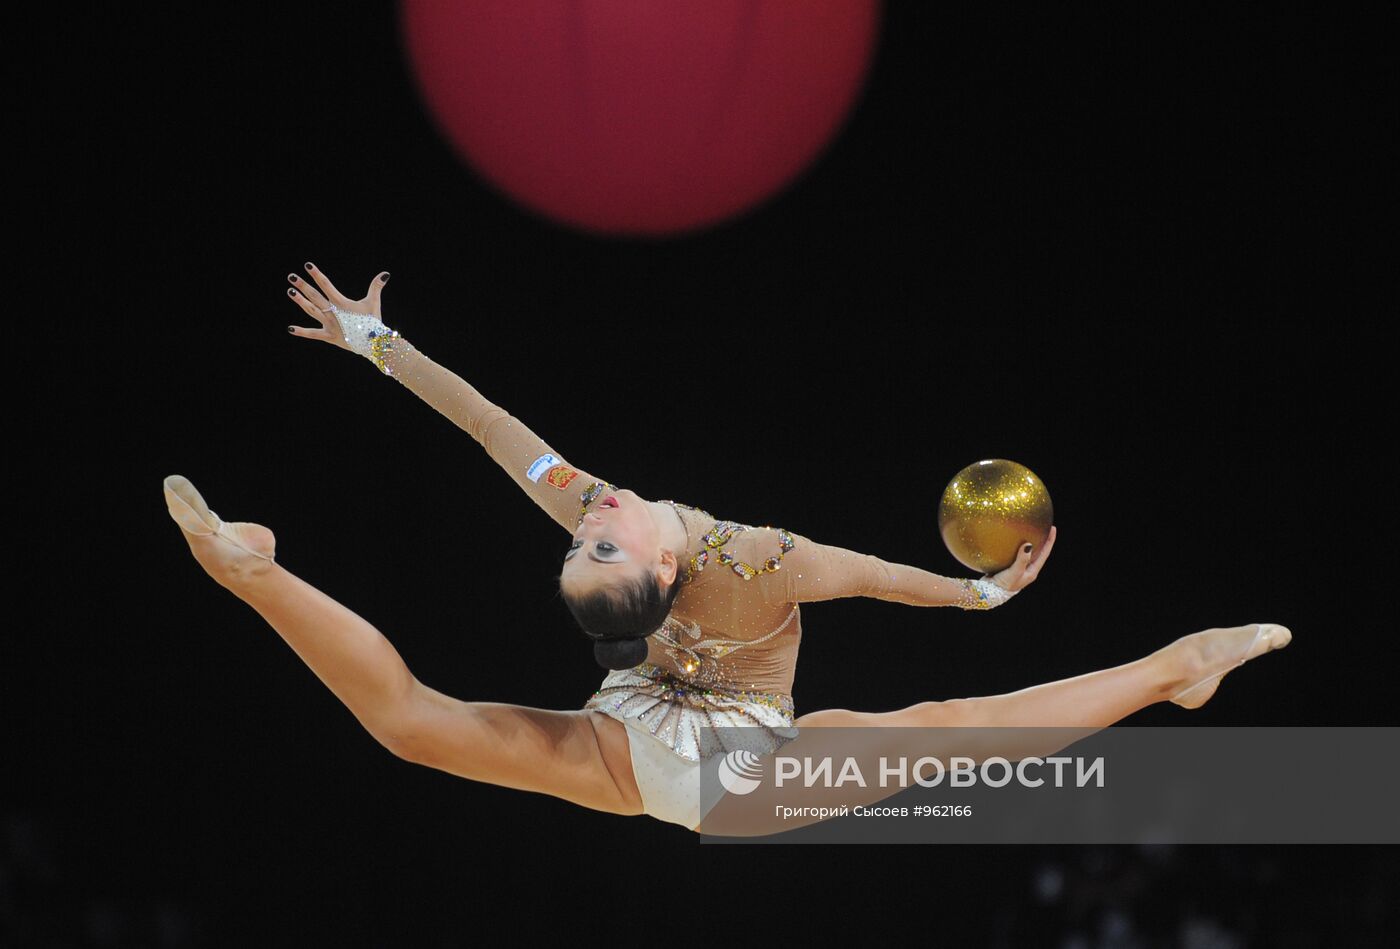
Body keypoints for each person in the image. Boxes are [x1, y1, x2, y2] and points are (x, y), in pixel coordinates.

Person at [163, 263, 1292, 834]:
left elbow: (487, 426)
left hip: (680, 757)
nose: (594, 515)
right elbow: (867, 574)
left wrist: (378, 343)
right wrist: (976, 597)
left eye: (589, 535)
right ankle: (246, 565)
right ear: (652, 575)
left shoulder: (685, 539)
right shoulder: (749, 555)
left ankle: (250, 569)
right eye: (597, 541)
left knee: (413, 726)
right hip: (689, 763)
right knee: (944, 731)